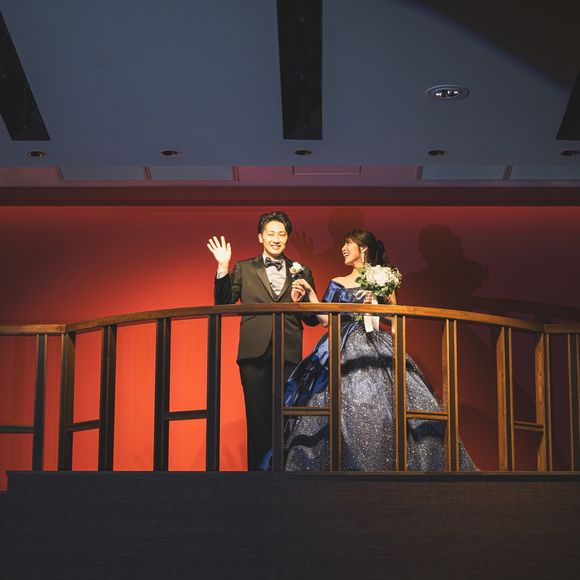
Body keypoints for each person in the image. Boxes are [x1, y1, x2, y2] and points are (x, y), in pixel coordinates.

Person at [283, 228, 476, 471]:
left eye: (348, 243)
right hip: (341, 345)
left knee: (388, 404)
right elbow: (325, 321)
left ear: (363, 248)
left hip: (375, 343)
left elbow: (394, 323)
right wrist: (310, 295)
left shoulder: (382, 277)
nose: (343, 248)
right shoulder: (337, 282)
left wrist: (375, 305)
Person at [208, 211, 318, 470]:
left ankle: (288, 472)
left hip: (288, 351)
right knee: (257, 417)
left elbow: (312, 319)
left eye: (282, 234)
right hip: (253, 352)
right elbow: (224, 303)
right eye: (271, 234)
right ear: (260, 237)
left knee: (287, 415)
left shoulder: (301, 270)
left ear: (287, 238)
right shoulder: (244, 268)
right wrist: (223, 267)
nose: (276, 239)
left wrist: (302, 300)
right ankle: (258, 478)